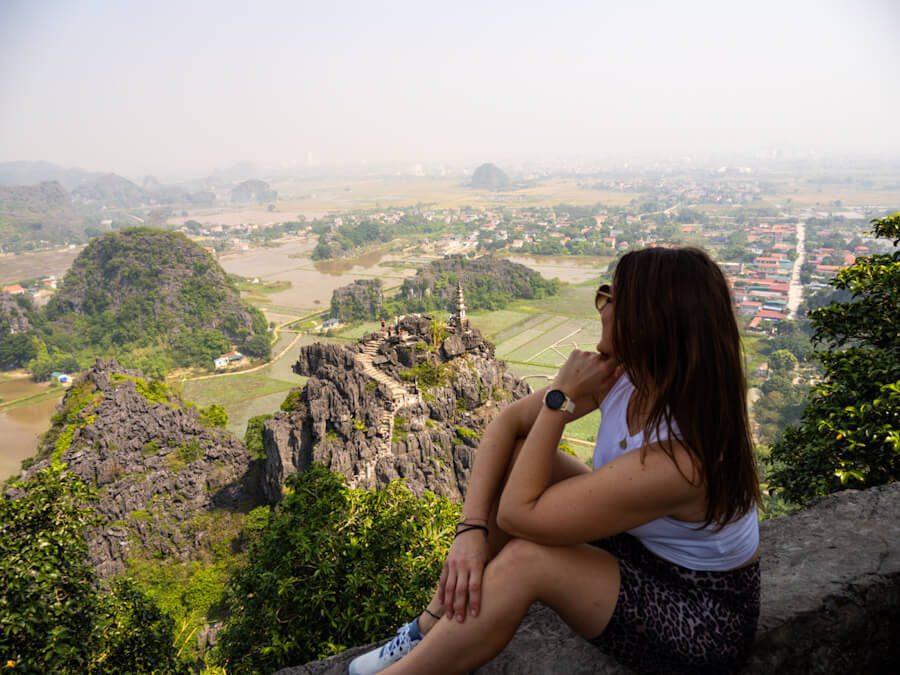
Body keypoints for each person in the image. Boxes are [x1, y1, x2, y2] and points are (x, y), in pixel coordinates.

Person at [349, 246, 761, 675]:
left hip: (697, 612)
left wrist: (558, 400)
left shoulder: (680, 461)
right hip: (641, 548)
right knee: (514, 459)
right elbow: (506, 425)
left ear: (647, 321)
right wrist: (469, 532)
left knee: (528, 562)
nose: (601, 307)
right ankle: (429, 624)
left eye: (611, 298)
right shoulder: (627, 376)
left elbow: (516, 516)